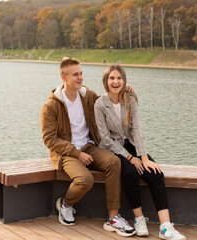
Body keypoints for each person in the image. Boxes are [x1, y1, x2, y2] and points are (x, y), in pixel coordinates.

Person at [40, 58, 136, 237]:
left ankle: (113, 218)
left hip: (89, 146)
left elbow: (109, 102)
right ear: (64, 77)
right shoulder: (51, 105)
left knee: (114, 162)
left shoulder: (87, 96)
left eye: (81, 73)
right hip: (65, 153)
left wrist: (123, 89)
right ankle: (66, 204)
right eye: (75, 74)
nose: (80, 78)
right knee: (86, 179)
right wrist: (76, 153)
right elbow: (49, 139)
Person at [94, 64, 186, 240]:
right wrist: (130, 158)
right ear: (106, 81)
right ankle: (139, 219)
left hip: (132, 145)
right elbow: (105, 138)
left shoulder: (130, 99)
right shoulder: (100, 104)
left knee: (155, 172)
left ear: (124, 80)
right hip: (112, 148)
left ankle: (165, 226)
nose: (115, 81)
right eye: (112, 78)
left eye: (119, 78)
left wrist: (144, 158)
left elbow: (137, 130)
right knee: (129, 172)